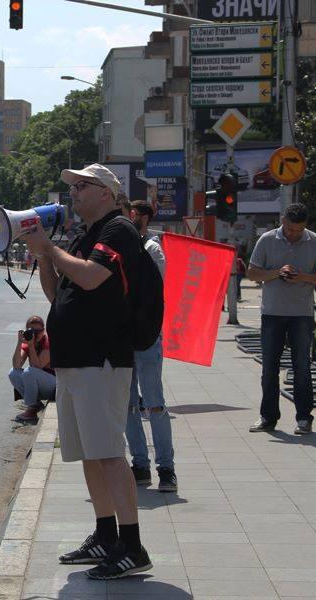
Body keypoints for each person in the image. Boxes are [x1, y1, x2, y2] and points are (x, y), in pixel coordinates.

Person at [23, 163, 151, 580]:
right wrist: (44, 255)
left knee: (110, 454)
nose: (73, 194)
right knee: (90, 455)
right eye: (72, 187)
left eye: (80, 186)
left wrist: (51, 248)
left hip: (103, 360)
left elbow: (94, 278)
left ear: (105, 192)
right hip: (76, 361)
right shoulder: (83, 235)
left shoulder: (118, 230)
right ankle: (104, 534)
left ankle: (132, 546)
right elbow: (55, 291)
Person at [247, 203, 316, 435]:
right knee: (269, 368)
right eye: (291, 229)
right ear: (283, 221)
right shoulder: (267, 240)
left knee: (302, 367)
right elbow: (252, 273)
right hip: (272, 313)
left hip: (301, 315)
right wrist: (277, 272)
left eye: (299, 230)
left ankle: (304, 418)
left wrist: (301, 276)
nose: (294, 234)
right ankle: (268, 417)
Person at [122, 200, 176, 493]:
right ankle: (140, 464)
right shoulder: (120, 246)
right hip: (122, 338)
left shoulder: (152, 250)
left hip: (145, 337)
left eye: (130, 214)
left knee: (154, 404)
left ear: (141, 217)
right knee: (128, 405)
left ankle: (166, 468)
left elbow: (151, 294)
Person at [8, 315, 55, 425]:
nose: (35, 334)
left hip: (53, 385)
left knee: (29, 372)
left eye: (38, 331)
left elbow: (37, 367)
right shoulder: (29, 342)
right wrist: (20, 343)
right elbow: (17, 365)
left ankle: (31, 409)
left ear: (44, 330)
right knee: (13, 373)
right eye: (31, 330)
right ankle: (35, 405)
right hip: (40, 382)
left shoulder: (48, 342)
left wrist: (31, 346)